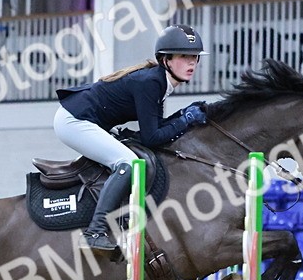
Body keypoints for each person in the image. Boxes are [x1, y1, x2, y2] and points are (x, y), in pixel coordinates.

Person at [53, 24, 209, 254]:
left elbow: (154, 128)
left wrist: (182, 117)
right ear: (166, 60)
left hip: (84, 119)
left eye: (195, 58)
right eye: (185, 57)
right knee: (128, 163)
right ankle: (95, 232)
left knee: (128, 158)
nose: (192, 63)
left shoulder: (159, 81)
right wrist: (185, 120)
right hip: (74, 121)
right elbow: (152, 137)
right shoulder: (151, 82)